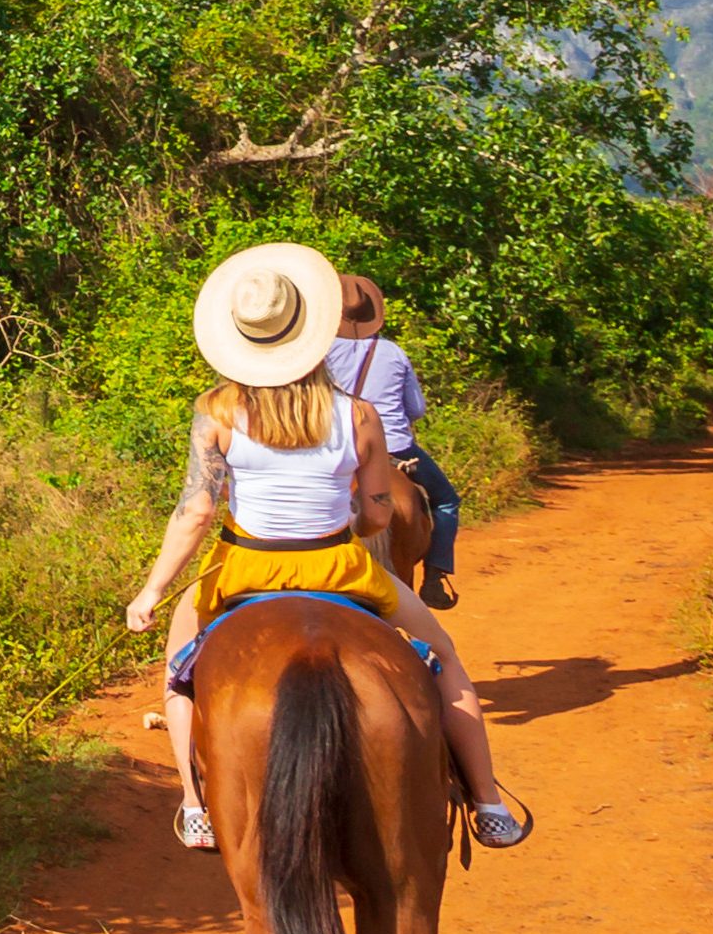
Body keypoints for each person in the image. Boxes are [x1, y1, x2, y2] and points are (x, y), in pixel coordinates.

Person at [126, 238, 530, 856]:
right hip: (339, 566)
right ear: (309, 331)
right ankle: (488, 802)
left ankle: (194, 804)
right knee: (445, 657)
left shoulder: (216, 412)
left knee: (180, 672)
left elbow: (197, 512)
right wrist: (355, 517)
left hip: (242, 568)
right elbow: (376, 515)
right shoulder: (359, 415)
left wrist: (152, 591)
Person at [324, 274, 459, 610]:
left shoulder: (319, 353)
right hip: (394, 447)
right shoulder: (393, 352)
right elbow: (417, 408)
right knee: (446, 501)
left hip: (336, 449)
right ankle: (434, 577)